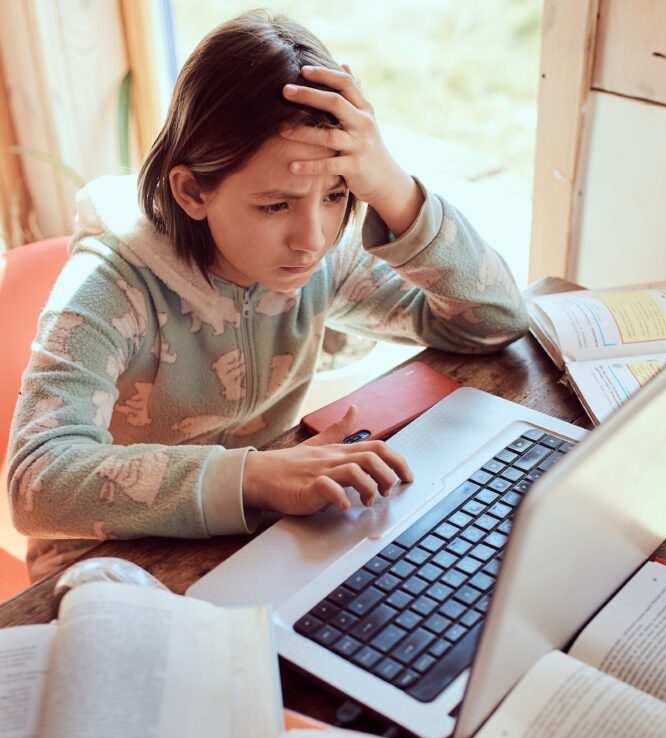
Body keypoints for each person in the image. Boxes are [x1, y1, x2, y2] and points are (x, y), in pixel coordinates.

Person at [8, 8, 529, 583]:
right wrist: (257, 476)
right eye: (276, 205)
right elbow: (36, 482)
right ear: (191, 191)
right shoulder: (109, 287)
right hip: (103, 569)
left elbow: (493, 322)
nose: (313, 238)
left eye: (336, 195)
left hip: (258, 535)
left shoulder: (324, 259)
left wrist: (394, 189)